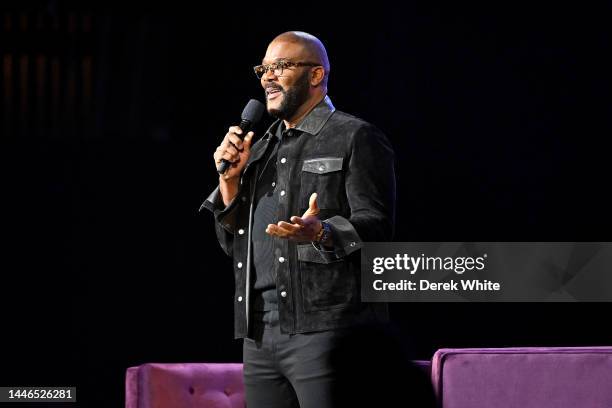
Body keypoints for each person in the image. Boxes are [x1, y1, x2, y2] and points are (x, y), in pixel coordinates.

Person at [201, 31, 396, 408]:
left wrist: (322, 231)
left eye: (281, 66)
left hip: (326, 330)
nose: (267, 78)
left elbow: (378, 228)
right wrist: (229, 181)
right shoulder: (258, 149)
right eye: (264, 68)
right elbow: (235, 244)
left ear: (316, 75)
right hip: (258, 333)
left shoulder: (355, 136)